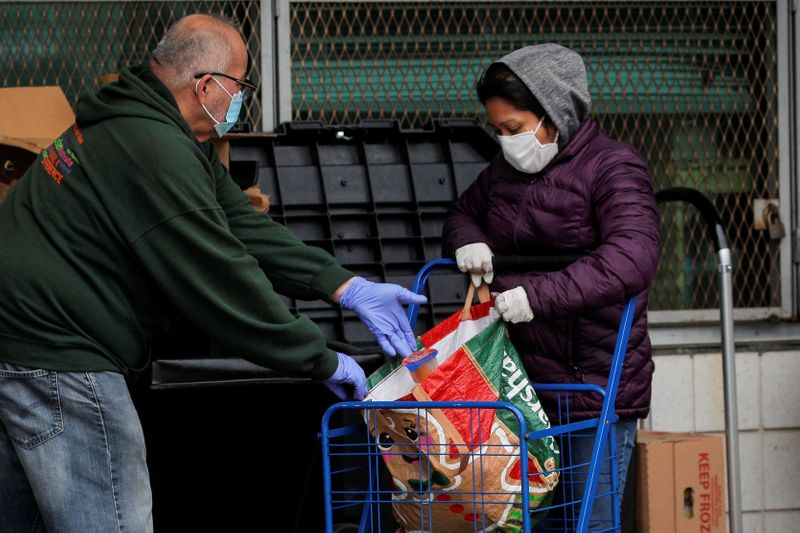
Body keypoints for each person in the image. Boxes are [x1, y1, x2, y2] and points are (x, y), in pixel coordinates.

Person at [0, 14, 425, 533]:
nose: (241, 101)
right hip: (59, 354)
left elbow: (240, 222)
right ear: (207, 86)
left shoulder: (142, 121)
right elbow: (219, 275)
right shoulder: (154, 149)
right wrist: (318, 359)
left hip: (22, 344)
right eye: (241, 87)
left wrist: (343, 284)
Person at [443, 43, 660, 526]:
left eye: (514, 129)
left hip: (591, 382)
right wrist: (468, 242)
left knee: (587, 521)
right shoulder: (502, 175)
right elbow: (462, 213)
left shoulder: (612, 168)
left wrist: (537, 296)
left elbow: (632, 255)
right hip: (522, 389)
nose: (506, 143)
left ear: (554, 115)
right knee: (525, 520)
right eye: (497, 131)